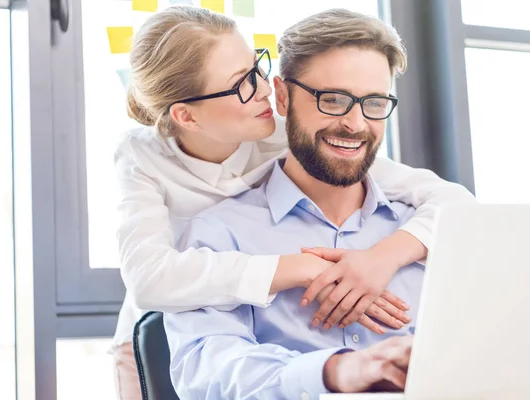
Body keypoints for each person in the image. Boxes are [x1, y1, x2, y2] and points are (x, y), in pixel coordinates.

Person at [113, 5, 475, 400]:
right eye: (332, 100)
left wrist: (381, 258)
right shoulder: (147, 163)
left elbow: (453, 201)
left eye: (258, 69)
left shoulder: (278, 128)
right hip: (171, 303)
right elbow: (152, 283)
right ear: (186, 116)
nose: (264, 89)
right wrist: (304, 269)